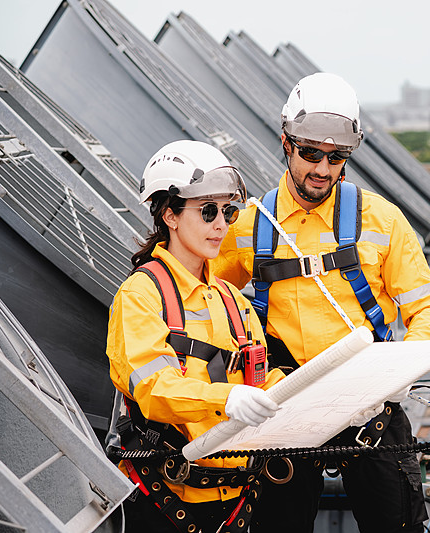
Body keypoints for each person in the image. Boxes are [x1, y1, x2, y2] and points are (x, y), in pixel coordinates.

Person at [212, 72, 430, 532]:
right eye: (311, 154)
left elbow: (427, 309)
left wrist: (404, 365)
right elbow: (196, 300)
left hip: (369, 403)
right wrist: (225, 388)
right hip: (287, 403)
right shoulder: (248, 227)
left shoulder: (379, 220)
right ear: (286, 143)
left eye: (337, 157)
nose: (322, 169)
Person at [106, 140, 285, 533]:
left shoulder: (233, 300)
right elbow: (153, 388)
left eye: (229, 211)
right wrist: (228, 398)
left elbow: (260, 379)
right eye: (207, 211)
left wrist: (315, 397)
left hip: (236, 506)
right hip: (161, 505)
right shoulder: (140, 295)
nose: (221, 224)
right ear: (169, 214)